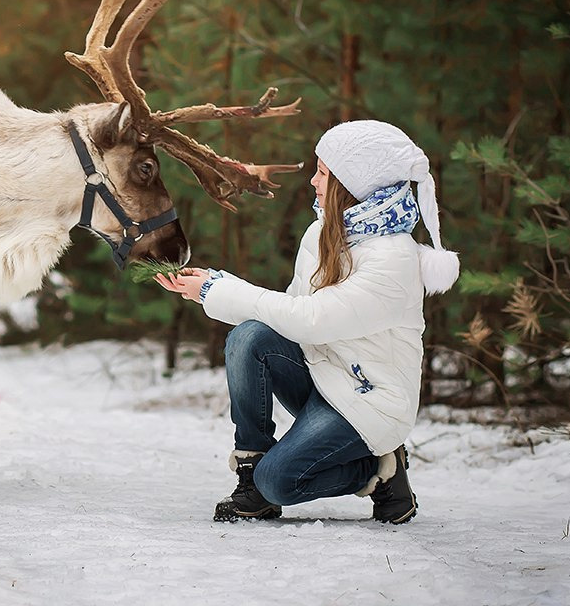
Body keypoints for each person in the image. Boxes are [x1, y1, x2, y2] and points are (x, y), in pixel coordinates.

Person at [156, 120, 459, 524]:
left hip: (369, 402)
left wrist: (219, 290)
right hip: (321, 374)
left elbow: (311, 320)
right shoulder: (322, 234)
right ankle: (251, 481)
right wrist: (216, 284)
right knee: (251, 337)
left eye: (323, 173)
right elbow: (287, 316)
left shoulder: (393, 258)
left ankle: (380, 471)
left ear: (353, 183)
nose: (313, 182)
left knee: (280, 481)